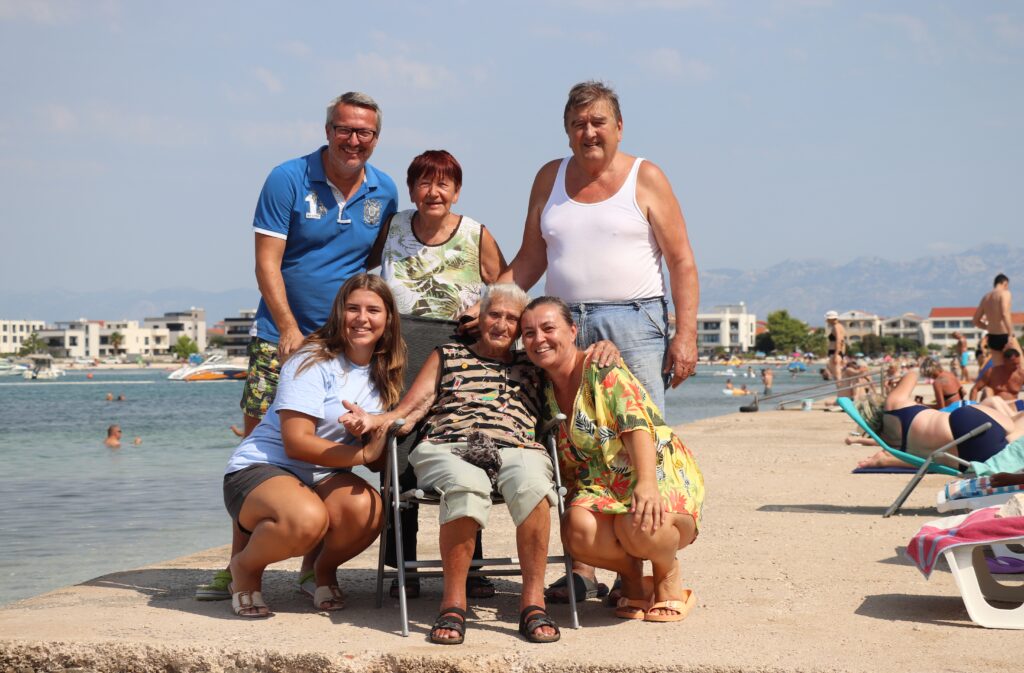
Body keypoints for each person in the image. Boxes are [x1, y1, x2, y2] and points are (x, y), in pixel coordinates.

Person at [478, 81, 699, 604]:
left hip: (634, 322)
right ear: (567, 131)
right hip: (559, 324)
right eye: (578, 124)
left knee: (638, 439)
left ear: (618, 127)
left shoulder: (646, 176)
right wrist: (491, 306)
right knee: (568, 443)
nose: (589, 132)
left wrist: (685, 335)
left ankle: (643, 565)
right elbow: (530, 257)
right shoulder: (549, 177)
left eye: (598, 122)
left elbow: (681, 260)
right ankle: (583, 570)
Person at [198, 92, 399, 603]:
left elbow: (371, 269)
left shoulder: (384, 191)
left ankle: (314, 570)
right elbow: (267, 261)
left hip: (345, 341)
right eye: (344, 129)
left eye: (365, 132)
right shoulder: (287, 178)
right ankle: (238, 565)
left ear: (376, 138)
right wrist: (288, 327)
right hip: (281, 337)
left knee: (326, 454)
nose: (353, 140)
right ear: (328, 130)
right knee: (266, 450)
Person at [344, 284, 569, 644]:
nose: (501, 324)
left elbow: (573, 362)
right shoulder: (447, 354)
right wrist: (372, 421)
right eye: (494, 314)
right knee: (466, 485)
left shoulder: (532, 364)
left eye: (512, 319)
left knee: (534, 485)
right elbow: (410, 410)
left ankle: (532, 603)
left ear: (520, 329)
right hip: (449, 445)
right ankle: (453, 603)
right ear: (480, 318)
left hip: (517, 447)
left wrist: (602, 349)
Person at [366, 149, 508, 600]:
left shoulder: (475, 233)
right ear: (411, 189)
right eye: (425, 183)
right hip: (399, 354)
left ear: (457, 191)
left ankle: (473, 567)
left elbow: (507, 286)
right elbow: (359, 269)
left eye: (443, 183)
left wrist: (483, 309)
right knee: (400, 455)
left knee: (466, 451)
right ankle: (403, 567)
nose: (434, 192)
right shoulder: (393, 227)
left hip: (459, 355)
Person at [221, 274, 404, 618]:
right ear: (339, 313)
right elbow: (296, 443)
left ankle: (321, 570)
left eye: (373, 310)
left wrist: (373, 432)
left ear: (389, 319)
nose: (362, 318)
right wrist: (362, 453)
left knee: (368, 511)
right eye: (353, 308)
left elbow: (377, 460)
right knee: (306, 520)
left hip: (323, 474)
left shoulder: (388, 372)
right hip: (263, 467)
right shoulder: (313, 360)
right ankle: (244, 570)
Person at [520, 297, 704, 623]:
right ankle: (632, 577)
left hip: (656, 471)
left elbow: (636, 425)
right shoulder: (541, 385)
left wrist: (647, 483)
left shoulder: (601, 367)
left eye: (549, 328)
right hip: (603, 486)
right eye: (529, 333)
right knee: (576, 530)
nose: (539, 339)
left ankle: (666, 574)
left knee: (639, 525)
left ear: (573, 330)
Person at [855, 365, 1024, 470]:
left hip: (969, 458)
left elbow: (929, 463)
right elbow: (912, 374)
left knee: (1011, 436)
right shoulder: (893, 404)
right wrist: (893, 383)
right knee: (1010, 425)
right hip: (967, 423)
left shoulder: (890, 444)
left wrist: (883, 461)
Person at [973, 274, 1017, 367]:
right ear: (1005, 283)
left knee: (999, 369)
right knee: (1019, 366)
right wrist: (1011, 334)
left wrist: (988, 327)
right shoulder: (1005, 293)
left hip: (992, 337)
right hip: (1005, 335)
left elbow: (975, 321)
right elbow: (1004, 313)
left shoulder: (986, 297)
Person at [825, 311, 846, 393]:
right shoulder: (840, 326)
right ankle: (841, 394)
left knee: (838, 376)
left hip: (835, 352)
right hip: (838, 353)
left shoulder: (836, 327)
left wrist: (836, 354)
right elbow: (843, 342)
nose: (826, 321)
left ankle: (841, 394)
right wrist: (842, 355)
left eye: (827, 319)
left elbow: (839, 340)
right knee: (838, 375)